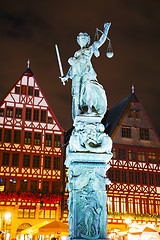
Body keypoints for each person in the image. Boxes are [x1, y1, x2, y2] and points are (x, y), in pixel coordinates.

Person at [60, 23, 111, 120]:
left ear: (87, 40)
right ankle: (79, 113)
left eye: (83, 39)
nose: (81, 40)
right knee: (76, 95)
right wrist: (66, 76)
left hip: (87, 73)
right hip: (77, 75)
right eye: (80, 39)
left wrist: (106, 29)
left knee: (88, 89)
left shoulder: (90, 49)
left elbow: (101, 41)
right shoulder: (76, 53)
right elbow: (73, 67)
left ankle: (89, 109)